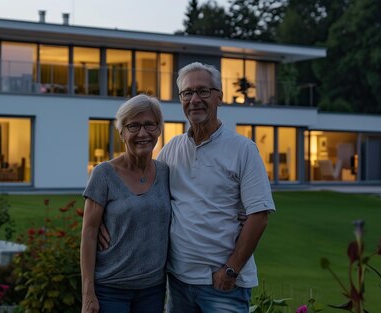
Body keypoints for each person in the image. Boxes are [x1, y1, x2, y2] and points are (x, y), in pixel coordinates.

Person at [100, 62, 276, 312]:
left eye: (203, 91)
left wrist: (230, 270)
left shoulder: (243, 150)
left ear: (219, 97)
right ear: (181, 99)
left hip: (223, 284)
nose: (195, 99)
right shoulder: (172, 149)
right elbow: (142, 192)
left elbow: (259, 215)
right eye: (187, 93)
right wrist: (100, 221)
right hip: (179, 281)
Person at [80, 94, 172, 313]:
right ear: (121, 132)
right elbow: (89, 233)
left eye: (150, 124)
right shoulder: (103, 174)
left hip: (153, 289)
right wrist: (88, 292)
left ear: (159, 130)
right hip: (111, 289)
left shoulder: (166, 172)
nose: (143, 133)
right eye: (133, 126)